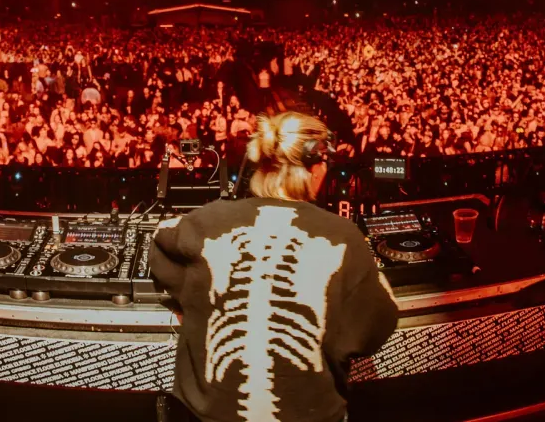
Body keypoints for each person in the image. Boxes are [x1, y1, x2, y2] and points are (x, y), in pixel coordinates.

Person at [151, 112, 399, 422]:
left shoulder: (203, 222)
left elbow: (160, 239)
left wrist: (187, 304)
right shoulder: (343, 238)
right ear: (317, 167)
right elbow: (378, 325)